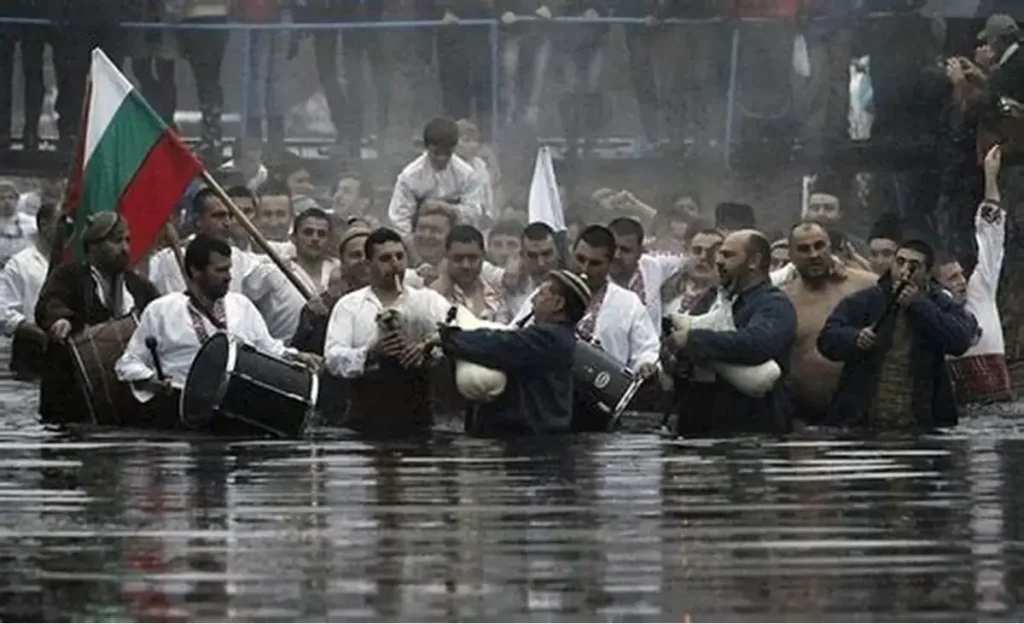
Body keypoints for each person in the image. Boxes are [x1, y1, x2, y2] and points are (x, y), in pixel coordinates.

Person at [115, 235, 321, 431]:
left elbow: (269, 350)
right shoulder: (161, 310)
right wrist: (151, 380)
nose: (228, 277)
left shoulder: (241, 305)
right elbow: (127, 364)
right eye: (220, 270)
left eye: (229, 269)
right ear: (195, 271)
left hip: (236, 412)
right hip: (179, 414)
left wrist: (297, 356)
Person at [818, 238, 977, 431]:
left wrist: (918, 304)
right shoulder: (866, 300)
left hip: (922, 423)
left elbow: (960, 341)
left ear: (927, 273)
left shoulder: (941, 303)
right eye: (900, 262)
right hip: (861, 422)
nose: (904, 271)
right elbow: (827, 339)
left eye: (914, 266)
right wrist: (854, 337)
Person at [514, 225, 660, 430]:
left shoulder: (629, 303)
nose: (584, 269)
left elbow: (647, 350)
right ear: (572, 253)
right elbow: (515, 333)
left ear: (609, 263)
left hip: (600, 406)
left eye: (595, 263)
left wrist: (645, 365)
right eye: (580, 259)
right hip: (548, 404)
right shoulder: (547, 294)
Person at [667, 229, 798, 436]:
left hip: (752, 430)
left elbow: (759, 343)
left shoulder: (773, 304)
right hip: (703, 427)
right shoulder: (714, 300)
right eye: (720, 254)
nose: (718, 261)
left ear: (753, 261)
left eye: (728, 255)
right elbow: (675, 344)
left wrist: (694, 340)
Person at [323, 227, 451, 435]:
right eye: (385, 258)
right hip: (365, 418)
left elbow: (454, 335)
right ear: (368, 265)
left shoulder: (428, 301)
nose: (395, 264)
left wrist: (426, 348)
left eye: (400, 256)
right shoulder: (349, 305)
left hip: (420, 419)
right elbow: (333, 358)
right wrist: (371, 354)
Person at [35, 212, 161, 423]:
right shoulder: (69, 276)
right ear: (93, 246)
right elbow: (50, 303)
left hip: (121, 395)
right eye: (116, 240)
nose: (124, 248)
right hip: (70, 393)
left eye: (127, 240)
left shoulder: (138, 285)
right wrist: (61, 319)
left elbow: (159, 313)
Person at [435, 269, 591, 437]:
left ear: (558, 304)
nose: (533, 299)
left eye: (541, 294)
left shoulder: (549, 338)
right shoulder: (558, 338)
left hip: (535, 445)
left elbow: (499, 345)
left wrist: (449, 337)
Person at [781, 221, 877, 424]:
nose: (814, 254)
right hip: (804, 418)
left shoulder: (865, 285)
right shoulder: (782, 300)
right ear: (791, 256)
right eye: (804, 249)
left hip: (864, 413)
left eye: (819, 245)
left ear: (830, 248)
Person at [938, 146, 1012, 407]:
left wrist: (991, 177)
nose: (960, 282)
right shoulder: (931, 313)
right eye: (951, 279)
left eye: (961, 275)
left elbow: (991, 233)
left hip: (1000, 407)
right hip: (960, 413)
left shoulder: (980, 290)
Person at [148, 188, 267, 295]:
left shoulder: (236, 255)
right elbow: (177, 307)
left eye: (229, 215)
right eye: (218, 216)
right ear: (198, 220)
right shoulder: (175, 257)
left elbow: (267, 268)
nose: (227, 223)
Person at [387, 117, 486, 236]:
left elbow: (474, 214)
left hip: (455, 240)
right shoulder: (409, 177)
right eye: (436, 153)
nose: (441, 158)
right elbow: (399, 220)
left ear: (454, 148)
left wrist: (444, 208)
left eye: (447, 153)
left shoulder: (467, 175)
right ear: (427, 147)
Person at [0, 201, 55, 379]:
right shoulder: (20, 264)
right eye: (62, 222)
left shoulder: (75, 263)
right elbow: (5, 311)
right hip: (30, 350)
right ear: (44, 225)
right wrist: (36, 331)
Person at [608, 216, 683, 328]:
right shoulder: (594, 275)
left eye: (625, 250)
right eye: (613, 248)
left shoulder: (653, 266)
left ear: (640, 252)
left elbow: (688, 260)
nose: (617, 255)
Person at [431, 225, 501, 321]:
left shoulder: (498, 291)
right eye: (458, 258)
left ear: (483, 256)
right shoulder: (435, 296)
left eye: (473, 258)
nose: (466, 265)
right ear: (446, 256)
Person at [497, 221, 561, 323]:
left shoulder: (571, 292)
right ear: (522, 256)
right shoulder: (510, 290)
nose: (541, 263)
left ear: (558, 252)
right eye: (532, 256)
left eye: (547, 254)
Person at [0, 179, 35, 267]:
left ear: (17, 199)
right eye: (2, 198)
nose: (7, 201)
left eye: (10, 197)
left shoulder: (31, 223)